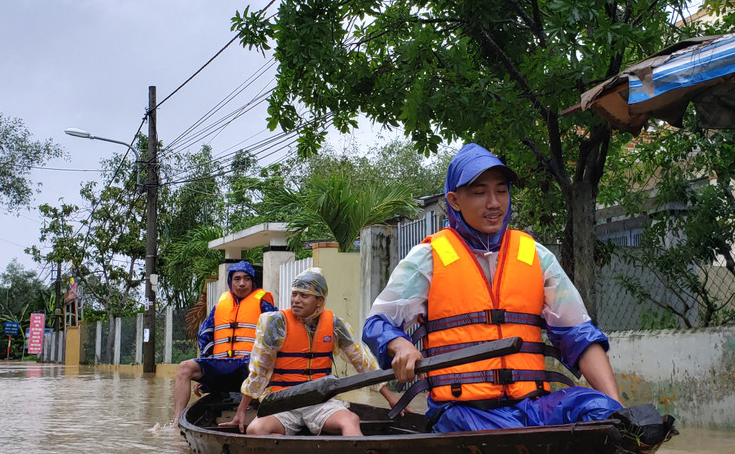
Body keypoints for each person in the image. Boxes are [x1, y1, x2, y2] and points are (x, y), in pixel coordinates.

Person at [362, 143, 625, 433]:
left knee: (599, 408)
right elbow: (377, 323)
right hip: (462, 411)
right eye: (479, 193)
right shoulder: (428, 258)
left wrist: (618, 412)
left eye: (501, 191)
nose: (494, 203)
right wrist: (400, 344)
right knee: (496, 434)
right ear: (454, 200)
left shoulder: (536, 256)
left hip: (530, 408)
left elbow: (579, 334)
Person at [235, 267, 397, 436]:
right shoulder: (277, 323)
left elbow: (362, 361)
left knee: (350, 420)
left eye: (304, 296)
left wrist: (390, 398)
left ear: (319, 301)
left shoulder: (335, 325)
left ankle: (355, 453)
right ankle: (287, 448)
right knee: (255, 430)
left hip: (321, 401)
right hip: (283, 401)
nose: (296, 300)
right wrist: (241, 410)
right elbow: (260, 370)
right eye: (294, 294)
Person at [172, 260, 277, 423]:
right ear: (230, 282)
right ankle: (176, 422)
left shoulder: (264, 305)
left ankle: (256, 410)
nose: (242, 283)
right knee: (185, 367)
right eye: (237, 279)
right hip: (221, 365)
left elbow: (275, 338)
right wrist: (204, 373)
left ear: (252, 282)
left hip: (247, 366)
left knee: (255, 366)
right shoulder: (220, 307)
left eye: (247, 279)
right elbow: (204, 335)